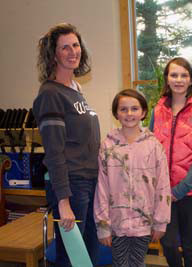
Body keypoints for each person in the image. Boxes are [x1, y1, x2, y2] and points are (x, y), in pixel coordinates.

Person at [32, 23, 100, 267]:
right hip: (71, 185)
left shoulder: (75, 90)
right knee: (71, 259)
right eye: (64, 48)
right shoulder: (51, 94)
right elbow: (55, 152)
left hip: (89, 181)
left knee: (88, 256)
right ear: (53, 55)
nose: (73, 51)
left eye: (75, 45)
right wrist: (63, 201)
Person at [94, 89, 171, 267]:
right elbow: (102, 188)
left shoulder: (153, 145)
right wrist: (103, 224)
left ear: (143, 112)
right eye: (124, 109)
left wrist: (160, 222)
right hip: (116, 221)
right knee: (120, 263)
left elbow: (163, 186)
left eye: (134, 109)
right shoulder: (107, 146)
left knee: (137, 263)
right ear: (116, 114)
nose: (129, 114)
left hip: (144, 221)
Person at [150, 57, 192, 267]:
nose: (178, 79)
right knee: (168, 241)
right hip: (163, 191)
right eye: (174, 74)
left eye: (184, 75)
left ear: (191, 80)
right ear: (166, 79)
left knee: (188, 244)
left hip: (189, 190)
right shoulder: (156, 112)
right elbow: (150, 151)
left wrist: (179, 190)